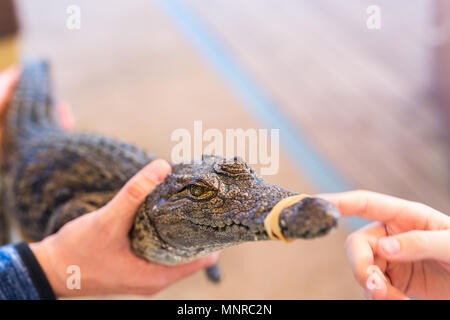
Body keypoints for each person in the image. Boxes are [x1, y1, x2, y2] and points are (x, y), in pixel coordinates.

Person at [0, 67, 448, 300]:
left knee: (28, 76)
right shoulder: (121, 217)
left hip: (113, 174)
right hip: (34, 153)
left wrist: (191, 246)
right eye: (200, 193)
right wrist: (54, 264)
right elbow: (66, 221)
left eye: (240, 175)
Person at [0, 67, 219, 299]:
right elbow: (70, 216)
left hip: (43, 149)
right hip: (29, 158)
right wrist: (51, 266)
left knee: (29, 71)